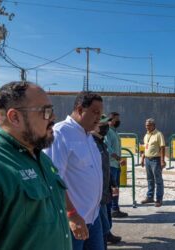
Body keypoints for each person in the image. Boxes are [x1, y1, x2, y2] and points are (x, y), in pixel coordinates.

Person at [0, 81, 72, 250]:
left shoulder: (41, 158)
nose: (53, 117)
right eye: (46, 111)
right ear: (15, 117)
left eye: (52, 110)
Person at [44, 92, 104, 250]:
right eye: (95, 112)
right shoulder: (60, 134)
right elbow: (52, 179)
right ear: (79, 109)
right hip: (73, 221)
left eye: (101, 114)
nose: (99, 118)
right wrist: (71, 214)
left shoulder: (87, 135)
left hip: (93, 217)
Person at [91, 114, 122, 248]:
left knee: (105, 218)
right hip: (97, 195)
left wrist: (112, 182)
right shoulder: (91, 143)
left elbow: (105, 168)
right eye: (101, 124)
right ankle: (106, 236)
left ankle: (107, 235)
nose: (104, 127)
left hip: (105, 191)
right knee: (101, 225)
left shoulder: (101, 143)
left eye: (105, 124)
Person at [105, 112, 128, 218]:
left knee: (116, 188)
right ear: (111, 119)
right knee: (112, 189)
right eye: (117, 119)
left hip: (116, 165)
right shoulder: (107, 131)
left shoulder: (115, 131)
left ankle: (115, 208)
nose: (119, 121)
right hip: (111, 165)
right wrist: (119, 159)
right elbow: (108, 148)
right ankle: (112, 209)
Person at [140, 118, 166, 207]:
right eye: (146, 125)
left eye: (148, 125)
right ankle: (150, 197)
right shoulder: (146, 135)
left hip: (156, 160)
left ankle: (159, 200)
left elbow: (162, 147)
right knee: (150, 179)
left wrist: (162, 160)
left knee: (158, 180)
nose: (146, 127)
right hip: (147, 159)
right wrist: (143, 158)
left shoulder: (158, 134)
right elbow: (145, 147)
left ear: (153, 125)